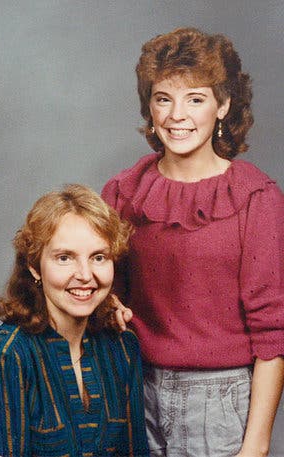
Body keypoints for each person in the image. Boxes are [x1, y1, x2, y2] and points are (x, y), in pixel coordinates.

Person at [102, 27, 284, 457]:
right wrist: (108, 303)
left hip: (220, 402)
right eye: (163, 99)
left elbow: (273, 332)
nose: (176, 115)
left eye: (195, 99)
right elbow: (103, 289)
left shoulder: (256, 198)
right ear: (149, 107)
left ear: (223, 105)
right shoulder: (124, 192)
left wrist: (256, 445)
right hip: (134, 388)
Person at [0, 184, 149, 457]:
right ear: (34, 266)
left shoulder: (122, 348)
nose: (85, 275)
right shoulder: (7, 354)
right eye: (65, 258)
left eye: (98, 257)